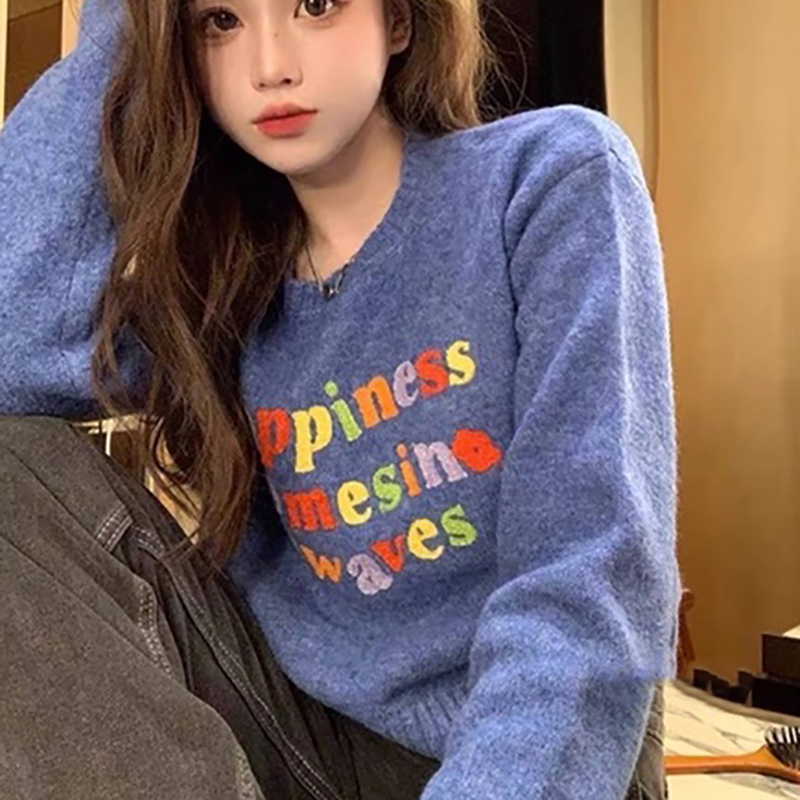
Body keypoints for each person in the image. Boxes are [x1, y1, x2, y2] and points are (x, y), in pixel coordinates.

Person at [0, 0, 679, 797]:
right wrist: (129, 27)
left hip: (523, 752)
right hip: (305, 739)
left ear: (400, 21)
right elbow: (12, 351)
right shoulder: (221, 282)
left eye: (316, 4)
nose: (270, 67)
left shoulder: (548, 179)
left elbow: (592, 575)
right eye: (220, 21)